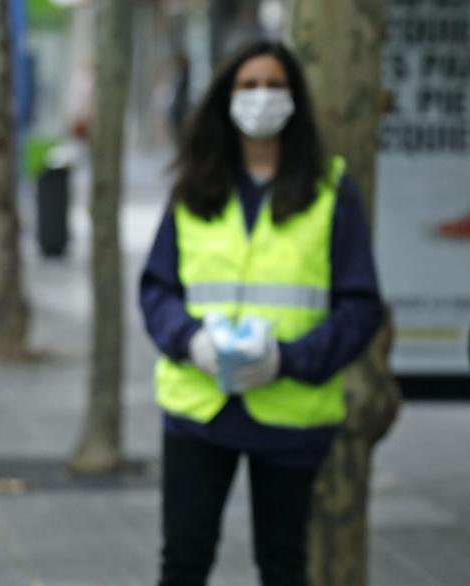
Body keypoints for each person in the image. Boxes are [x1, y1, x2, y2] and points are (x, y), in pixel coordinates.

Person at [140, 41, 383, 586]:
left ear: (294, 99)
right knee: (183, 561)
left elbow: (360, 305)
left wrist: (287, 359)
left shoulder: (329, 187)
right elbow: (157, 289)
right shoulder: (194, 185)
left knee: (283, 566)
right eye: (248, 86)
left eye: (274, 85)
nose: (261, 97)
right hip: (198, 406)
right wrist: (189, 340)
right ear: (226, 97)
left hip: (290, 411)